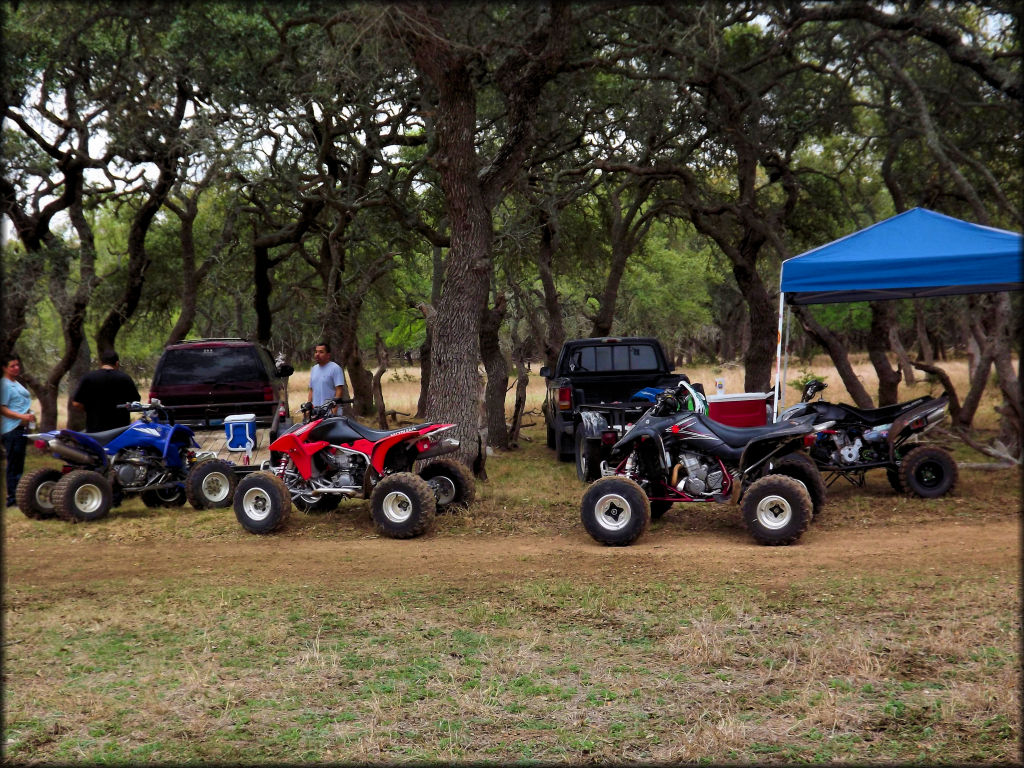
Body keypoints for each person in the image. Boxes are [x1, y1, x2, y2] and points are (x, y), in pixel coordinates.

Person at [71, 350, 141, 433]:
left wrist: (91, 410)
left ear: (101, 363)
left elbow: (76, 403)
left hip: (95, 430)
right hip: (119, 430)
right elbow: (135, 401)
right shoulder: (125, 378)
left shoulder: (88, 378)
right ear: (117, 363)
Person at [1, 354, 35, 507]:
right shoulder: (5, 385)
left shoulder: (15, 382)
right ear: (4, 368)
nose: (16, 368)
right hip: (12, 428)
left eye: (17, 365)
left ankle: (17, 495)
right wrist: (21, 416)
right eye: (12, 366)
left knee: (19, 463)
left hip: (21, 426)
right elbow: (3, 408)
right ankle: (12, 499)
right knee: (13, 464)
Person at [308, 342, 347, 414]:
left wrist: (334, 411)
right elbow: (311, 390)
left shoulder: (335, 368)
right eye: (316, 352)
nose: (317, 354)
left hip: (330, 412)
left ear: (328, 355)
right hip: (316, 412)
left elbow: (339, 390)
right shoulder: (314, 369)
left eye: (321, 352)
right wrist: (309, 406)